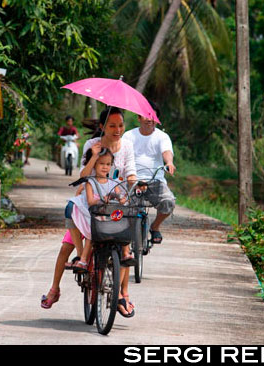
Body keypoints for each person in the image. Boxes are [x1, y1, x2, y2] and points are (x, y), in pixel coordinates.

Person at [40, 147, 123, 309]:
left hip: (102, 218)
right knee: (65, 248)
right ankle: (55, 288)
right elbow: (84, 178)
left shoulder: (114, 181)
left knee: (119, 246)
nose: (105, 167)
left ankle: (119, 295)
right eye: (101, 163)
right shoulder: (93, 150)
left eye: (108, 164)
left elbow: (121, 197)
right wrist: (95, 155)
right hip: (82, 216)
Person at [76, 106, 138, 317]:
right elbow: (83, 174)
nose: (117, 129)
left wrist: (135, 184)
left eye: (121, 125)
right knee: (75, 224)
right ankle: (82, 261)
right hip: (92, 197)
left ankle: (122, 293)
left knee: (126, 234)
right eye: (112, 125)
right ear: (102, 126)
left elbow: (131, 171)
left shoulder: (127, 146)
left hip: (117, 198)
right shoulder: (91, 145)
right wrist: (93, 158)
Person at [122, 101, 176, 244]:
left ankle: (155, 226)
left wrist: (169, 162)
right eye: (146, 115)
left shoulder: (162, 137)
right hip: (133, 180)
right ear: (139, 118)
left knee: (168, 202)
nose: (149, 119)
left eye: (153, 116)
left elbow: (166, 151)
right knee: (125, 208)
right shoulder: (128, 136)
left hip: (155, 181)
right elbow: (122, 155)